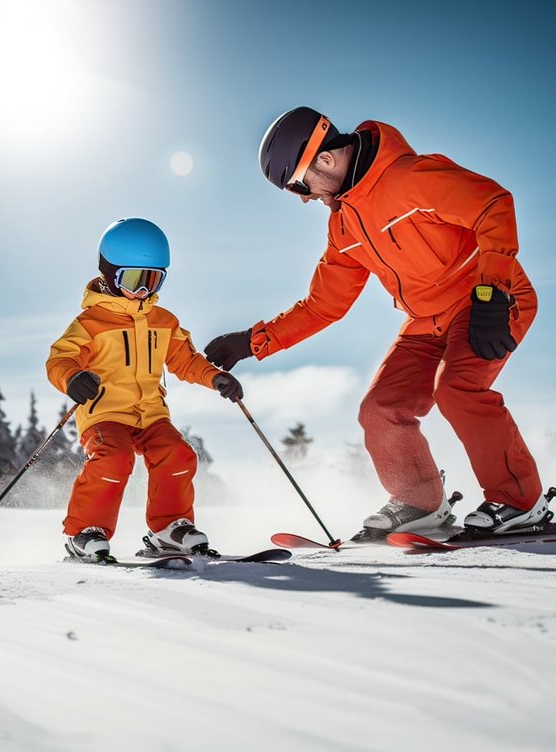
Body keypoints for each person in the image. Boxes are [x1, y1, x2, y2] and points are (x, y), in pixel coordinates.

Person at [205, 107, 549, 539]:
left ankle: (522, 503)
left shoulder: (410, 177)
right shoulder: (343, 225)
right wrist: (253, 341)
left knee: (458, 389)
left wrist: (492, 293)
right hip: (426, 319)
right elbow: (324, 304)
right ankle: (421, 502)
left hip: (484, 300)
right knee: (381, 409)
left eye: (299, 185)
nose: (304, 198)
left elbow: (492, 204)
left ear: (326, 160)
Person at [47, 217, 242, 561]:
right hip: (105, 414)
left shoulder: (163, 321)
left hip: (151, 413)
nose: (143, 292)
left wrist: (215, 377)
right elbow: (60, 358)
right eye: (134, 280)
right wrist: (72, 378)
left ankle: (169, 529)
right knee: (114, 459)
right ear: (110, 275)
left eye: (153, 281)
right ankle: (85, 532)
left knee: (179, 454)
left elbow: (185, 360)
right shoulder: (90, 323)